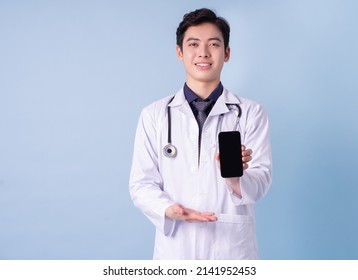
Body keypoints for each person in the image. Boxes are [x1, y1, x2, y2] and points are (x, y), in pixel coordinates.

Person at [129, 8, 272, 259]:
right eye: (193, 44)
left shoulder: (250, 113)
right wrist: (169, 210)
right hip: (176, 248)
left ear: (226, 53)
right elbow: (141, 184)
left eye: (214, 44)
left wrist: (235, 178)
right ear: (179, 52)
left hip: (232, 251)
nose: (203, 53)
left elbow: (260, 182)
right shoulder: (154, 115)